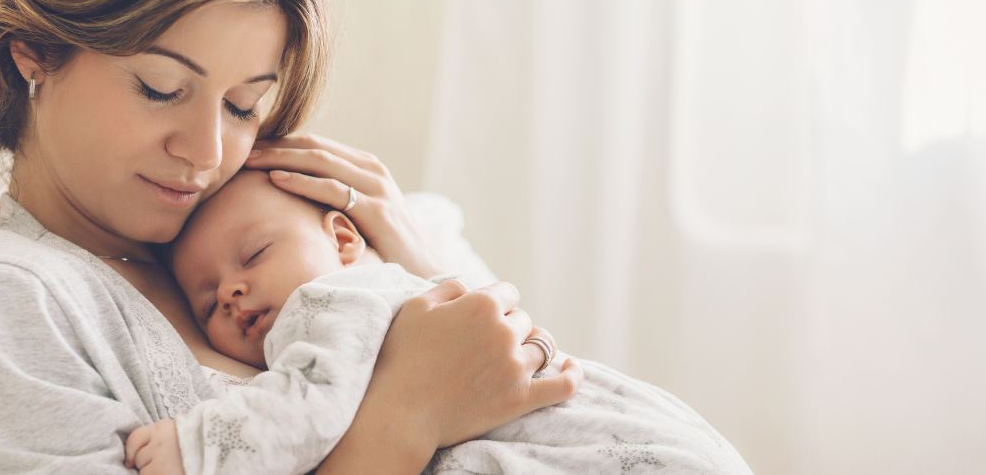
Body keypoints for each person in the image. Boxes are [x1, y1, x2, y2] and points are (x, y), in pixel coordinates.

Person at [0, 0, 581, 474]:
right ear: (32, 51)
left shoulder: (264, 231)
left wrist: (413, 266)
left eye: (245, 106)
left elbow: (532, 395)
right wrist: (404, 417)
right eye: (160, 89)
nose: (208, 154)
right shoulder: (2, 300)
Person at [122, 170, 753, 475]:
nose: (230, 291)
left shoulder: (334, 302)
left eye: (254, 256)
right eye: (207, 302)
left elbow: (303, 406)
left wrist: (197, 445)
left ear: (344, 240)